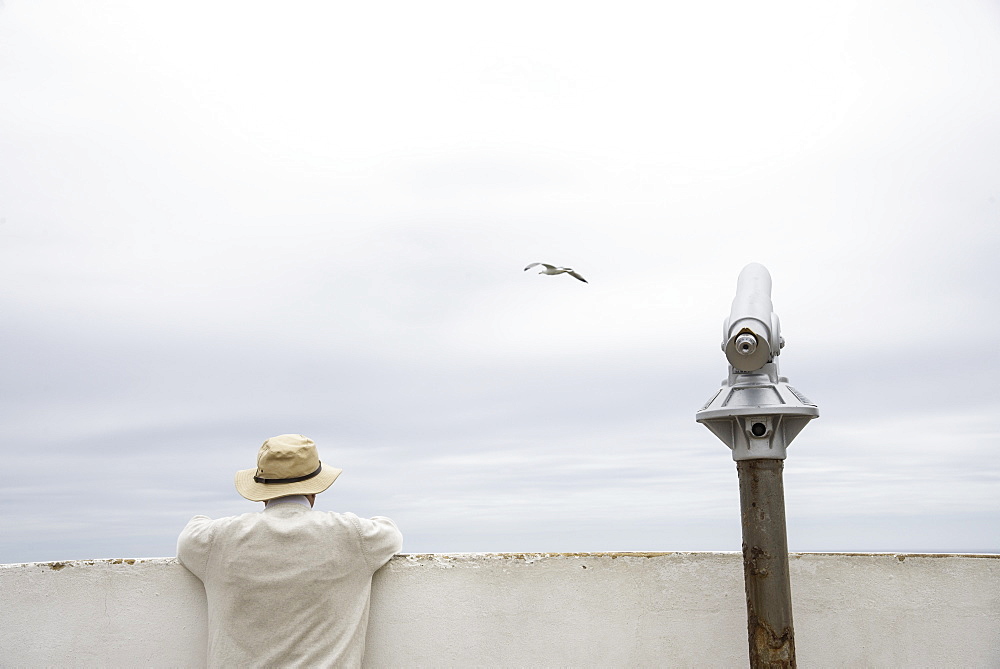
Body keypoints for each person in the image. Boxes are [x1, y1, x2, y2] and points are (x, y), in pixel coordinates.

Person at [177, 434, 402, 667]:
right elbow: (390, 533)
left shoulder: (220, 538)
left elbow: (189, 535)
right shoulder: (352, 534)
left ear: (260, 492)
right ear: (315, 490)